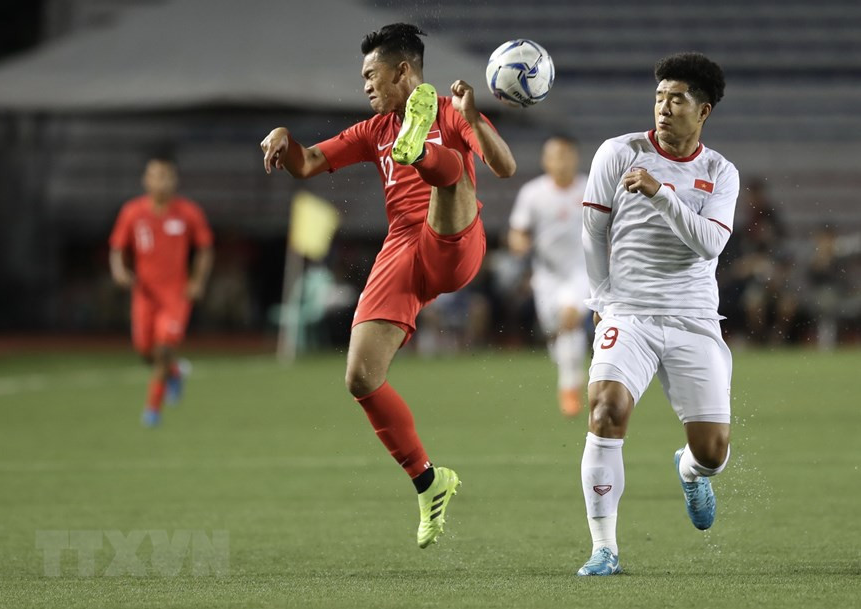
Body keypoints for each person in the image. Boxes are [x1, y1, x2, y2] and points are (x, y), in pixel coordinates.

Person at [260, 23, 515, 549]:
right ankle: (429, 481)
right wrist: (285, 139)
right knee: (360, 376)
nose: (366, 86)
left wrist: (472, 121)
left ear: (404, 71)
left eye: (371, 75)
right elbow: (306, 163)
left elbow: (504, 166)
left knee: (453, 180)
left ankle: (418, 152)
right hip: (402, 248)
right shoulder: (371, 130)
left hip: (455, 240)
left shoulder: (452, 109)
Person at [577, 52, 739, 575]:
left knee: (713, 451)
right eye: (659, 97)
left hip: (694, 318)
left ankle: (690, 473)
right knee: (606, 411)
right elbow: (592, 233)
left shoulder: (720, 172)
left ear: (704, 110)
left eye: (678, 99)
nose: (664, 108)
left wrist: (663, 194)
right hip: (630, 313)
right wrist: (602, 300)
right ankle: (604, 548)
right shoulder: (618, 152)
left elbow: (710, 244)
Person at [109, 153, 214, 427]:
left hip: (176, 295)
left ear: (175, 180)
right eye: (156, 175)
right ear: (146, 179)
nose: (161, 181)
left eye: (167, 176)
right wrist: (120, 272)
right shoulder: (132, 212)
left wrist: (197, 281)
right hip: (144, 294)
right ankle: (175, 372)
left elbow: (204, 248)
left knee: (164, 347)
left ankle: (152, 408)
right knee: (145, 351)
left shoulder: (189, 212)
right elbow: (118, 249)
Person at [508, 135, 589, 416]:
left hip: (582, 271)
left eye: (566, 154)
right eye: (555, 155)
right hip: (547, 275)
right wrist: (519, 244)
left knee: (570, 319)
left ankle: (569, 389)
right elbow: (518, 231)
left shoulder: (590, 187)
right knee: (556, 332)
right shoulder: (533, 193)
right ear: (545, 160)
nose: (561, 161)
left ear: (575, 157)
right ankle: (570, 371)